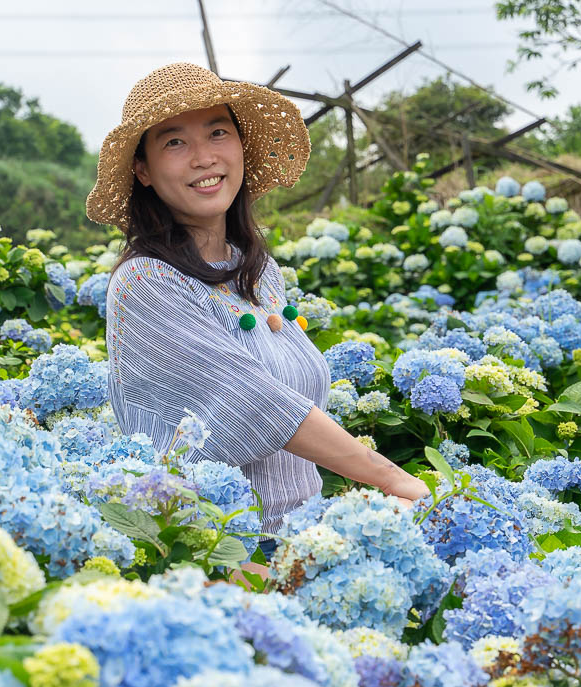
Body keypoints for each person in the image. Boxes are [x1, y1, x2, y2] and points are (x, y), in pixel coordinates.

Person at [86, 62, 428, 568]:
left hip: (305, 543)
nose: (204, 157)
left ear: (242, 146)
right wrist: (394, 479)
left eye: (218, 133)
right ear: (143, 171)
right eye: (174, 143)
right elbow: (257, 404)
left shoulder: (259, 272)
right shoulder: (146, 285)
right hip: (223, 557)